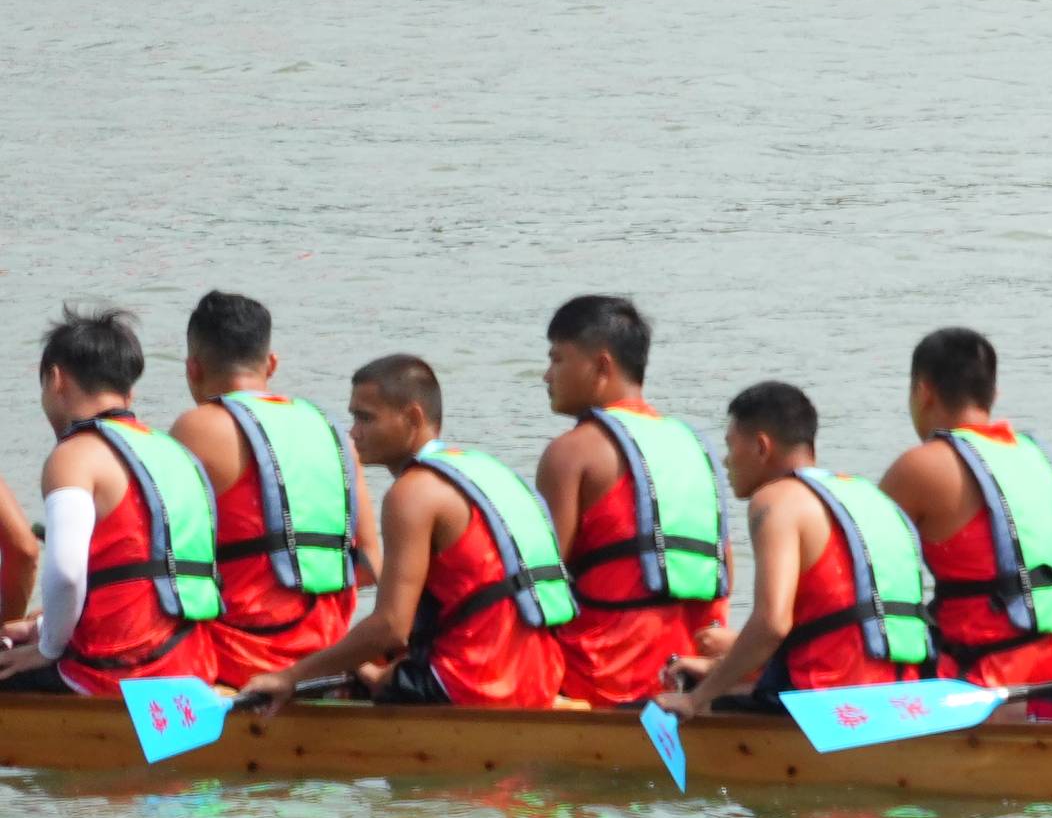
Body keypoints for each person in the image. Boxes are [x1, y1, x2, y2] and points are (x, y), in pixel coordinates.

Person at [225, 354, 572, 715]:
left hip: (473, 688)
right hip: (541, 679)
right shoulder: (484, 469)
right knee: (361, 663)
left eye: (365, 417)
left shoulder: (412, 493)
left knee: (322, 677)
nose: (353, 432)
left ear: (413, 418)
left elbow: (391, 628)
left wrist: (291, 675)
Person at [652, 381, 936, 710]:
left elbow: (771, 625)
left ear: (761, 447)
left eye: (731, 447)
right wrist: (719, 667)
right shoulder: (864, 493)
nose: (727, 462)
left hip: (826, 703)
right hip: (901, 692)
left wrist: (698, 699)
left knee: (670, 704)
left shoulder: (774, 500)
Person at [2, 311, 221, 693]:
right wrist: (40, 627)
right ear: (128, 392)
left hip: (116, 673)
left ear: (57, 380)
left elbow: (68, 574)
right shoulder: (174, 451)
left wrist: (48, 647)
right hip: (192, 665)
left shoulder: (74, 454)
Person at [535, 293, 728, 707]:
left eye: (557, 359)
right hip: (690, 676)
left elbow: (540, 588)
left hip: (602, 682)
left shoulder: (571, 452)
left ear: (600, 365)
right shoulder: (697, 447)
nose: (546, 375)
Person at [172, 290, 372, 684]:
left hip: (236, 656)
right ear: (272, 363)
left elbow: (164, 564)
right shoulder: (334, 435)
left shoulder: (197, 428)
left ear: (193, 368)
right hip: (326, 651)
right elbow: (370, 564)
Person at [877, 325, 1052, 691]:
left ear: (923, 392)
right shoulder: (1040, 458)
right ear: (994, 393)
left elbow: (861, 571)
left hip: (979, 676)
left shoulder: (921, 467)